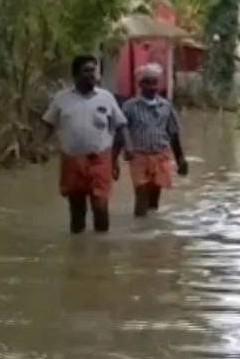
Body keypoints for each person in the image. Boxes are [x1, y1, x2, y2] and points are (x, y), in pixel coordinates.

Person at [43, 55, 130, 233]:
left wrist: (128, 148)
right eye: (86, 71)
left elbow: (121, 125)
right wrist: (39, 146)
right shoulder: (62, 99)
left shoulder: (106, 98)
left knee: (100, 205)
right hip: (72, 160)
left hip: (99, 159)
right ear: (75, 75)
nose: (92, 75)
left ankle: (101, 249)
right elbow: (48, 124)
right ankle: (77, 250)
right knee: (77, 210)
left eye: (94, 71)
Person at [117, 62, 187, 217]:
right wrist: (113, 160)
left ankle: (151, 232)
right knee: (141, 196)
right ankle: (139, 231)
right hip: (139, 157)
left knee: (154, 200)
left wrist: (181, 159)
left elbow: (173, 134)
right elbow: (121, 133)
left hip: (160, 156)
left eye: (155, 82)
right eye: (148, 82)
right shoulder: (129, 107)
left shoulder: (165, 106)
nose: (152, 86)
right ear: (140, 84)